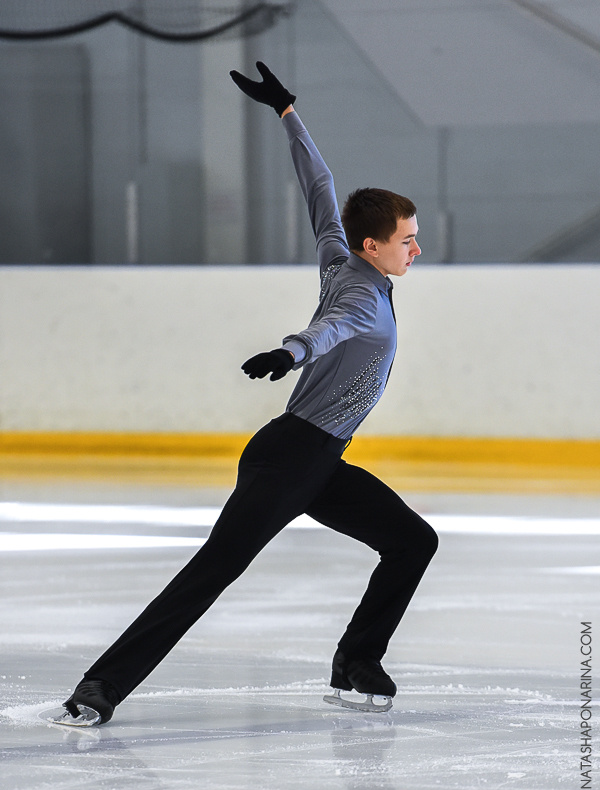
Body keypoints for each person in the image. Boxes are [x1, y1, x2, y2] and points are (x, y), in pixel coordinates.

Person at [51, 62, 438, 726]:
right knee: (213, 572)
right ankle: (100, 686)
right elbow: (328, 330)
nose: (417, 250)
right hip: (290, 460)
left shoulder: (341, 256)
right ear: (374, 247)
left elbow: (319, 186)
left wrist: (288, 111)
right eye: (407, 241)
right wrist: (290, 353)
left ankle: (356, 660)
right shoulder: (362, 299)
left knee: (412, 541)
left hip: (316, 463)